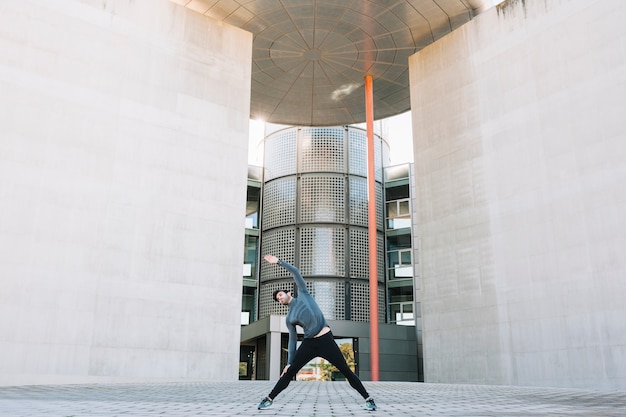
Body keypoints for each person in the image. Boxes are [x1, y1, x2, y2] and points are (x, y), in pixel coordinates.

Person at [257, 254, 377, 411]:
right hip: (309, 343)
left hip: (326, 340)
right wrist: (289, 363)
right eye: (277, 299)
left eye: (280, 295)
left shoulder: (303, 294)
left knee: (346, 370)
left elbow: (295, 271)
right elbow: (292, 341)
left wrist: (279, 262)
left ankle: (368, 398)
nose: (279, 299)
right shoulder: (289, 318)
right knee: (289, 372)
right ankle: (269, 398)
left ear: (289, 293)